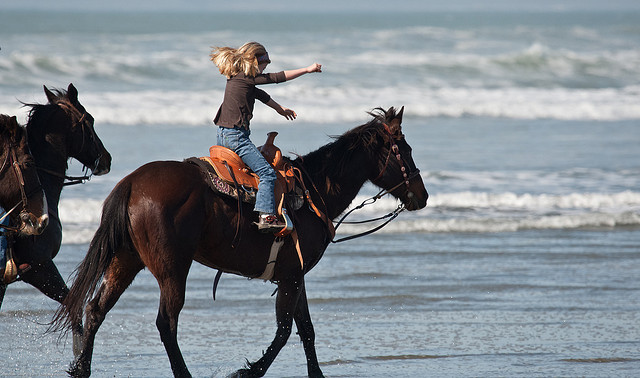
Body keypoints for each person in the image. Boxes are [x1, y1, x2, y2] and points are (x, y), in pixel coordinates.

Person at [210, 41, 321, 232]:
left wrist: (279, 109)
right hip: (237, 138)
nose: (264, 71)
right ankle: (266, 216)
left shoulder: (238, 77)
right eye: (263, 67)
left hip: (222, 135)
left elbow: (260, 94)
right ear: (255, 62)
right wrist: (308, 69)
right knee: (267, 174)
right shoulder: (247, 77)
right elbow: (279, 77)